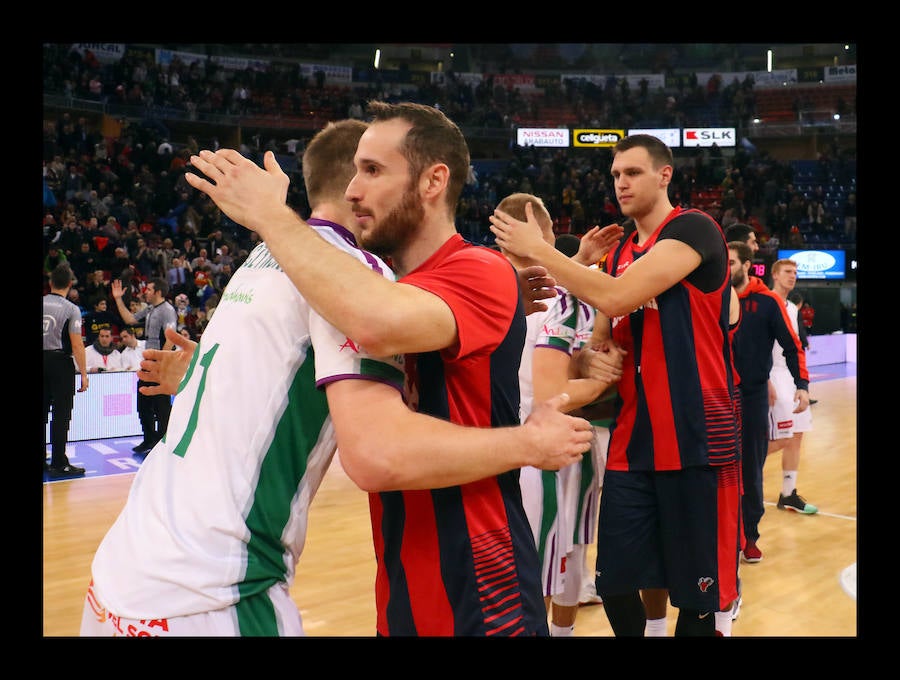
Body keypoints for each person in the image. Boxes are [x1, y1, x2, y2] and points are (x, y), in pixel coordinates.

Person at [82, 119, 592, 638]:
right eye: (355, 170)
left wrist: (268, 217)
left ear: (432, 181)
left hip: (476, 569)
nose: (354, 188)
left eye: (372, 171)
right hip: (393, 571)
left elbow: (377, 418)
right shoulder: (355, 278)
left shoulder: (448, 269)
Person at [489, 133, 741, 636]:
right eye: (615, 175)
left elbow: (620, 294)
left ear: (664, 175)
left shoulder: (693, 228)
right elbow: (604, 330)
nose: (621, 183)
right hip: (633, 438)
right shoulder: (620, 248)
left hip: (697, 437)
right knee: (616, 581)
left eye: (632, 173)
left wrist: (541, 250)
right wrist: (589, 357)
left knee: (696, 598)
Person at [497, 193, 623, 637]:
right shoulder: (563, 301)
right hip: (544, 445)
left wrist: (579, 259)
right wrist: (603, 377)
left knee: (553, 558)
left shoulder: (492, 289)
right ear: (538, 234)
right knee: (554, 560)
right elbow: (551, 393)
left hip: (494, 446)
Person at [728, 242, 810, 564]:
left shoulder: (767, 302)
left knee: (751, 469)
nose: (725, 267)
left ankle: (749, 536)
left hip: (752, 397)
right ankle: (721, 535)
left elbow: (792, 347)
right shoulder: (713, 298)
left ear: (746, 265)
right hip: (716, 396)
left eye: (731, 262)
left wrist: (801, 385)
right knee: (715, 469)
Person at [767, 259, 817, 514]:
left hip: (789, 377)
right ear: (774, 275)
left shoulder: (792, 308)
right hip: (771, 375)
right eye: (787, 272)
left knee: (796, 436)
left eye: (795, 273)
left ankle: (788, 493)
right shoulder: (764, 301)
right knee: (777, 439)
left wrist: (802, 384)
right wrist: (764, 379)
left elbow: (796, 349)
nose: (792, 276)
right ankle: (735, 479)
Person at [110, 276, 177, 456]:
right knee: (143, 403)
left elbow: (170, 337)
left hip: (159, 363)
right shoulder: (150, 308)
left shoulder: (168, 310)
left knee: (161, 405)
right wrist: (118, 299)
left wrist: (162, 363)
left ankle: (164, 442)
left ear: (158, 292)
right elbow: (130, 320)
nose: (144, 292)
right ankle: (149, 439)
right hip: (149, 363)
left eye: (148, 289)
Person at [43, 263, 89, 478]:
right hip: (60, 363)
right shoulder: (71, 309)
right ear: (70, 285)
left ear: (50, 283)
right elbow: (77, 344)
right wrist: (84, 374)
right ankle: (59, 462)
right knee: (61, 415)